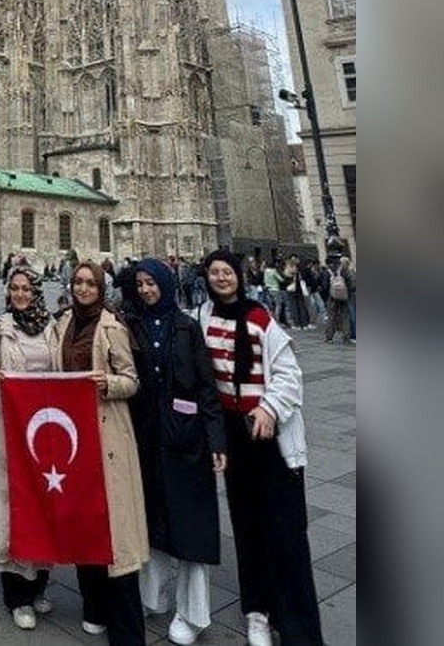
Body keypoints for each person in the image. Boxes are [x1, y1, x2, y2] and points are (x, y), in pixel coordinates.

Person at [195, 249, 323, 646]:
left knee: (285, 531)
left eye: (227, 272)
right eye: (214, 272)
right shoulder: (202, 317)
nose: (221, 278)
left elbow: (289, 376)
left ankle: (298, 626)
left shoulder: (261, 318)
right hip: (233, 438)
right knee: (246, 524)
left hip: (269, 437)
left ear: (238, 275)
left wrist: (268, 408)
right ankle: (257, 610)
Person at [121, 259, 226, 645]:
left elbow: (206, 387)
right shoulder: (130, 325)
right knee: (152, 517)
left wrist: (216, 440)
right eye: (142, 284)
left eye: (153, 283)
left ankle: (194, 613)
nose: (147, 290)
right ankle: (154, 596)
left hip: (187, 440)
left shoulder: (187, 327)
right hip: (147, 438)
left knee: (191, 525)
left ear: (166, 284)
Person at [44, 261, 148, 645]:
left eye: (90, 283)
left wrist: (108, 384)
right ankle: (94, 606)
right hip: (74, 441)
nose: (84, 288)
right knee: (85, 522)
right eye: (78, 282)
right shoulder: (62, 323)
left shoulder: (113, 326)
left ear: (101, 288)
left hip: (107, 438)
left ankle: (126, 629)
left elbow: (131, 380)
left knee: (117, 533)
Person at [0, 265, 57, 630]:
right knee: (11, 509)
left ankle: (38, 585)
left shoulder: (52, 327)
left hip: (45, 435)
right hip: (9, 430)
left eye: (26, 288)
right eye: (15, 289)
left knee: (44, 509)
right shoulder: (0, 327)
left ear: (36, 291)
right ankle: (17, 597)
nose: (21, 294)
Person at [323, 257, 353, 345]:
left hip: (331, 297)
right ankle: (346, 337)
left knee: (331, 317)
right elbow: (350, 284)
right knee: (345, 317)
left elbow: (324, 286)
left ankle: (329, 338)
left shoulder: (327, 272)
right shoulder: (343, 271)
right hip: (343, 297)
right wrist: (347, 294)